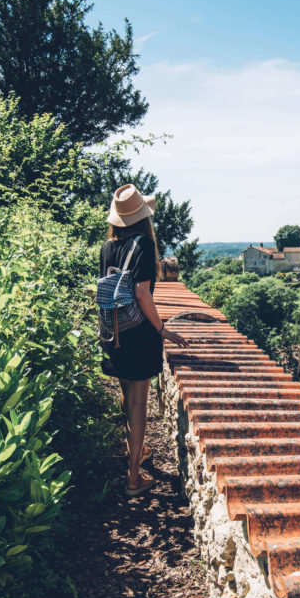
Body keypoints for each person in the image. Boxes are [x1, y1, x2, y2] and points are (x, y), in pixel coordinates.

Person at [100, 184, 188, 496]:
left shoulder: (107, 247)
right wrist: (162, 329)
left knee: (127, 396)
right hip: (138, 334)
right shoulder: (142, 247)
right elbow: (141, 293)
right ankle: (134, 479)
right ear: (144, 218)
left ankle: (137, 452)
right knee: (139, 403)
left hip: (112, 330)